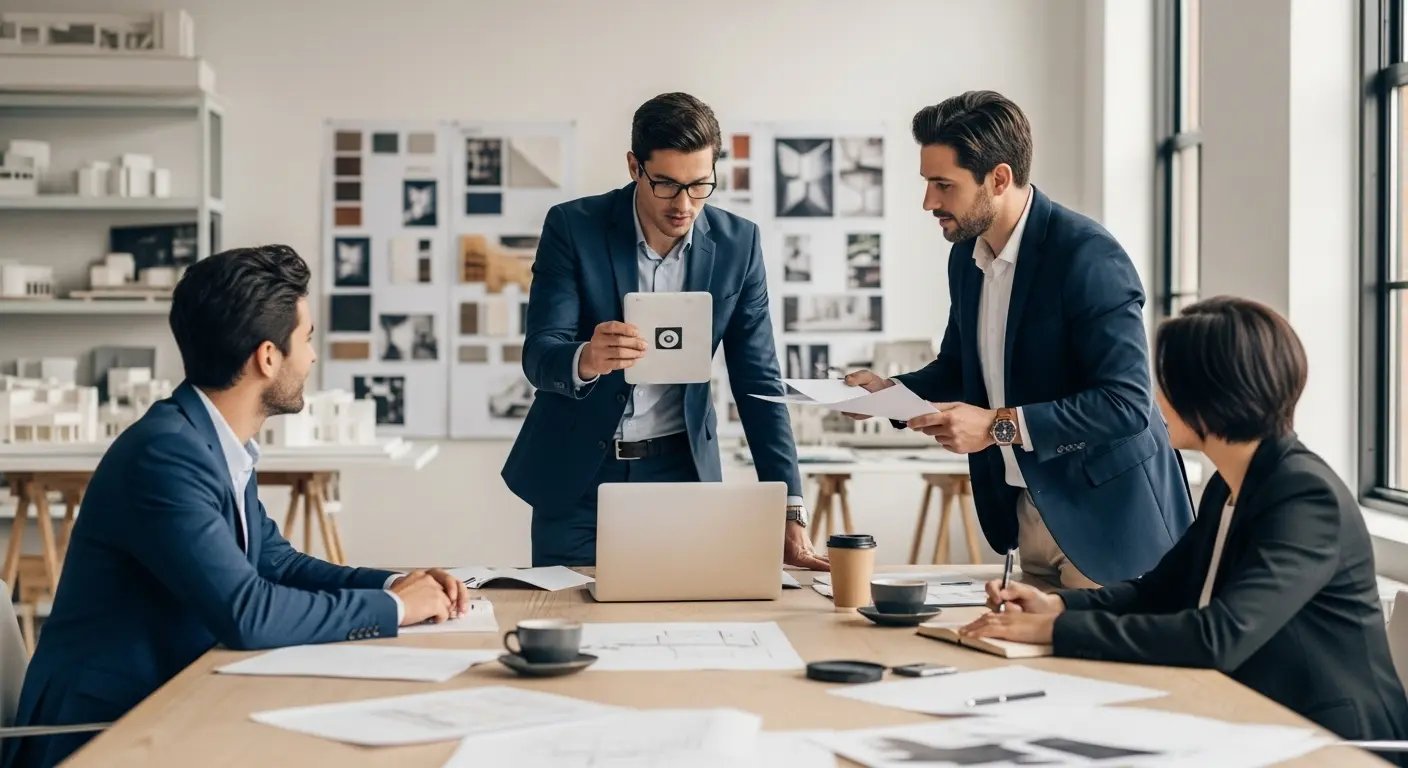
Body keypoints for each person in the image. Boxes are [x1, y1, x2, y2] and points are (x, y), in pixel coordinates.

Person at [5, 246, 469, 768]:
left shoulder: (211, 440)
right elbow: (249, 613)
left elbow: (277, 563)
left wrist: (395, 585)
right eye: (307, 339)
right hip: (97, 734)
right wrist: (398, 609)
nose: (312, 358)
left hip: (171, 703)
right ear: (267, 357)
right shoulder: (166, 454)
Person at [964, 297, 1408, 748]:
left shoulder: (1305, 496)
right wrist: (1058, 607)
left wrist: (1055, 632)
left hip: (1335, 741)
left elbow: (1218, 636)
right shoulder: (1229, 483)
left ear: (1210, 395)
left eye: (1168, 384)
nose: (1156, 400)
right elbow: (1159, 592)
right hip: (1253, 716)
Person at [844, 90, 1192, 587]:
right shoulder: (966, 256)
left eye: (943, 185)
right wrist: (889, 395)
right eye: (927, 183)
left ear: (999, 178)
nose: (929, 202)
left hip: (1110, 525)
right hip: (1028, 512)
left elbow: (1126, 404)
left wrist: (996, 427)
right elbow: (961, 368)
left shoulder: (1088, 256)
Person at [502, 92, 827, 571]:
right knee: (566, 609)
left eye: (700, 185)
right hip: (576, 476)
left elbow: (758, 381)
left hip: (680, 472)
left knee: (680, 610)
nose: (684, 204)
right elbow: (539, 353)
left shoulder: (738, 245)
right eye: (667, 185)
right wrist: (586, 358)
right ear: (635, 166)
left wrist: (790, 508)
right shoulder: (573, 226)